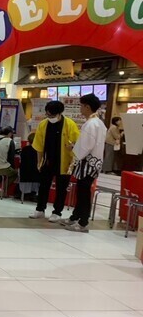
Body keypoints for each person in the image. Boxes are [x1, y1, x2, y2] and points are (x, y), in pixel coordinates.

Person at [61, 94, 107, 233]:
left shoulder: (91, 124)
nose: (80, 108)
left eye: (81, 105)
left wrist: (73, 148)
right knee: (82, 191)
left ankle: (83, 223)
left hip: (87, 163)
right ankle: (75, 217)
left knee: (83, 193)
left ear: (87, 106)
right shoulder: (99, 123)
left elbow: (86, 146)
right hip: (94, 162)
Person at [29, 100, 80, 223]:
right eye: (48, 115)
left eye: (52, 115)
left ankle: (57, 212)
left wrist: (72, 151)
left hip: (64, 162)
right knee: (43, 186)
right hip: (47, 161)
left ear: (59, 113)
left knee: (61, 188)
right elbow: (38, 145)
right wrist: (39, 162)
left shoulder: (70, 124)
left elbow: (76, 143)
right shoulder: (43, 124)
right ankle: (40, 209)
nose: (50, 117)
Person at [19, 132, 40, 201]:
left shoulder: (25, 149)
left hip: (24, 174)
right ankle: (35, 194)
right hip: (36, 175)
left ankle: (23, 194)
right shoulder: (39, 151)